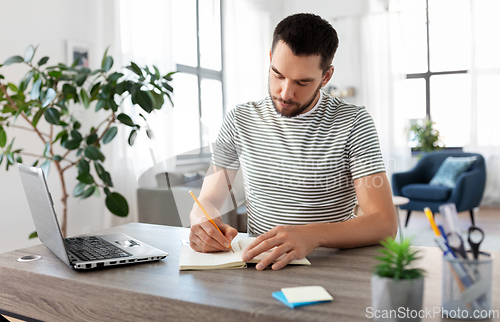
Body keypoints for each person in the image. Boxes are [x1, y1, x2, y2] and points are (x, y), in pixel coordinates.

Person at [189, 13, 397, 270]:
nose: (285, 93)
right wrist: (201, 221)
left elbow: (384, 223)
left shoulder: (354, 123)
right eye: (278, 74)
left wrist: (313, 235)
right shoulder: (239, 119)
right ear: (270, 59)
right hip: (260, 265)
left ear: (326, 77)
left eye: (302, 82)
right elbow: (208, 199)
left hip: (329, 266)